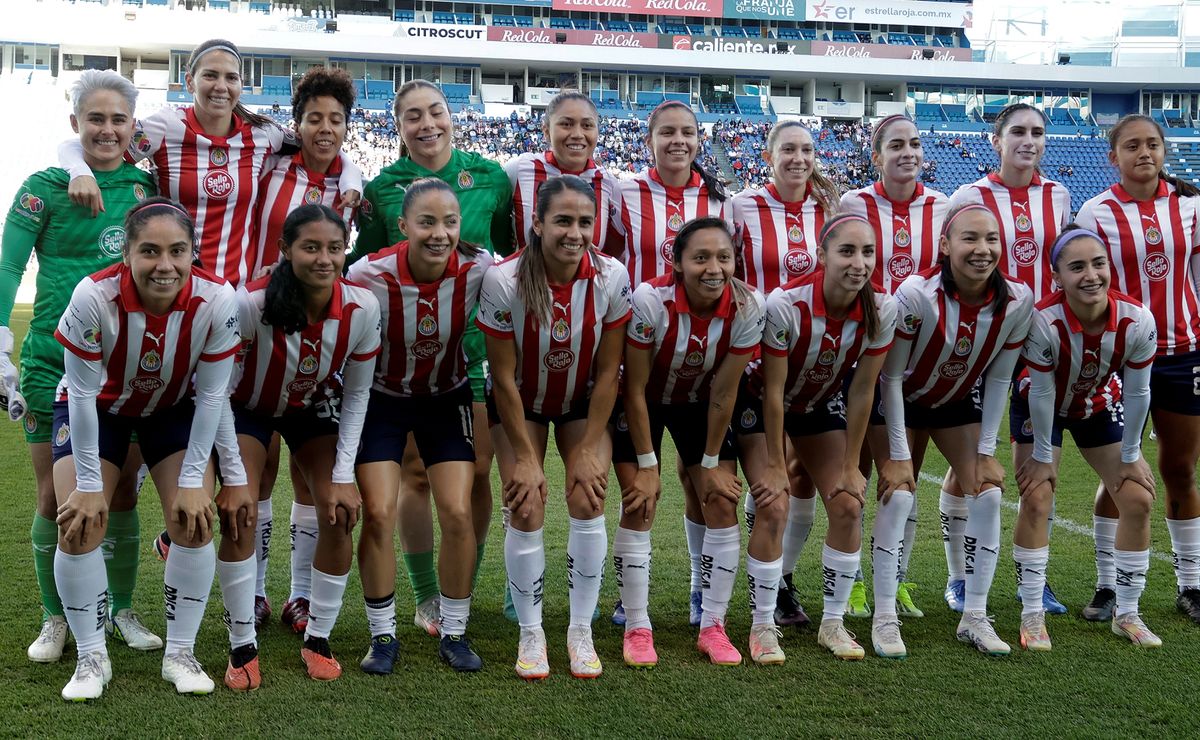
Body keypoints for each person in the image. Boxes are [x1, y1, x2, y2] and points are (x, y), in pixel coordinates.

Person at [60, 43, 361, 633]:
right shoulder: (161, 129)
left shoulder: (266, 140)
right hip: (176, 298)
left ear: (243, 86)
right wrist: (74, 165)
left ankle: (253, 583)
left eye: (232, 77)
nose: (222, 86)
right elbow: (95, 134)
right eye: (211, 76)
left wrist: (350, 174)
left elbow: (325, 145)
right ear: (189, 79)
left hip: (242, 313)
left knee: (259, 457)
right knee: (212, 443)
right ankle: (180, 554)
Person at [50, 197, 246, 698]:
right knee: (78, 523)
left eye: (177, 251)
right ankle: (92, 658)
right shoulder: (94, 296)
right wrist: (91, 486)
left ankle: (179, 652)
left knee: (194, 519)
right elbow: (84, 394)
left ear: (192, 252)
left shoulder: (217, 299)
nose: (165, 265)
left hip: (173, 409)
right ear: (127, 254)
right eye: (150, 252)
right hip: (98, 409)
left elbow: (212, 396)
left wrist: (190, 483)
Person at [1, 70, 161, 664]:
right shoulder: (43, 187)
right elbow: (8, 267)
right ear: (76, 124)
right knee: (53, 498)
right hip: (52, 363)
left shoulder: (148, 191)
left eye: (118, 119)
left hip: (128, 369)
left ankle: (118, 609)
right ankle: (56, 617)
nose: (107, 129)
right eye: (95, 118)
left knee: (119, 499)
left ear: (131, 126)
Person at [355, 79, 512, 634]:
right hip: (409, 364)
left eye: (436, 112)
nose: (427, 124)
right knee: (418, 475)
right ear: (397, 128)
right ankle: (427, 597)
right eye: (412, 117)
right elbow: (367, 262)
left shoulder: (490, 177)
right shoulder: (383, 188)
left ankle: (462, 581)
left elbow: (511, 258)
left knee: (477, 476)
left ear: (453, 116)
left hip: (473, 360)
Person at [476, 175, 631, 680]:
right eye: (562, 220)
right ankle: (532, 631)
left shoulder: (611, 277)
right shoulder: (503, 280)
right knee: (526, 502)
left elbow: (609, 372)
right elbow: (501, 377)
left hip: (581, 401)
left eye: (584, 221)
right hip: (520, 401)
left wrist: (588, 447)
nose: (575, 232)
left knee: (588, 495)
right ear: (537, 223)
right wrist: (523, 455)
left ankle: (579, 630)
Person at [228, 204, 380, 684]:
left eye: (334, 248)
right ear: (285, 250)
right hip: (246, 407)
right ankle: (241, 647)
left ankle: (318, 637)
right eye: (310, 247)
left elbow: (356, 395)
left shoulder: (361, 306)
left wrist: (341, 477)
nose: (324, 258)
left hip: (310, 406)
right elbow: (215, 392)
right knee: (241, 508)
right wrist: (232, 477)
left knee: (338, 509)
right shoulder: (249, 303)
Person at [348, 179, 492, 673]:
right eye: (427, 222)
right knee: (379, 513)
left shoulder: (480, 268)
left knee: (456, 511)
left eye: (449, 222)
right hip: (382, 402)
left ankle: (454, 631)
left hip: (445, 398)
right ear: (403, 225)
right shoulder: (369, 274)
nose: (439, 233)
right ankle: (382, 636)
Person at [739, 213, 897, 660]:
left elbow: (864, 389)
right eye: (847, 251)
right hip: (761, 402)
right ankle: (763, 625)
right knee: (774, 502)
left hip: (817, 403)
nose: (859, 263)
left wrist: (850, 465)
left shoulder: (881, 310)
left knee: (848, 503)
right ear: (822, 255)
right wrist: (773, 462)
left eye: (867, 252)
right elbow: (771, 391)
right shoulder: (786, 305)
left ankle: (833, 623)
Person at [880, 203, 1033, 656]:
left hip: (955, 400)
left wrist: (986, 450)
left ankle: (976, 616)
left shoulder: (1017, 301)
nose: (982, 249)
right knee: (901, 489)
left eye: (991, 240)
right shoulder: (915, 294)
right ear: (945, 246)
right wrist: (898, 453)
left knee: (986, 489)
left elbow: (1001, 377)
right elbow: (889, 378)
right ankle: (885, 617)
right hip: (898, 400)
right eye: (969, 238)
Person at [612, 217, 763, 667]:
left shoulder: (747, 306)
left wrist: (713, 461)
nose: (713, 268)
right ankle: (638, 626)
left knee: (719, 499)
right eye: (700, 257)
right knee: (640, 501)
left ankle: (713, 625)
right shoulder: (649, 301)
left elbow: (724, 392)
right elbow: (635, 388)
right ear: (677, 263)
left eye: (723, 257)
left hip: (700, 401)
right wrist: (647, 464)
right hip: (642, 400)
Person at [947, 103, 1071, 616]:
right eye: (1017, 131)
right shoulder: (969, 195)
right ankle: (959, 578)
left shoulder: (1059, 196)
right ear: (996, 140)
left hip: (1041, 344)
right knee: (972, 460)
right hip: (986, 343)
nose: (1028, 140)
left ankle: (1031, 581)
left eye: (1038, 132)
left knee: (1037, 466)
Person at [249, 65, 360, 637]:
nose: (324, 128)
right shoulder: (272, 165)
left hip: (317, 329)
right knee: (258, 468)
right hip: (258, 318)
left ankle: (298, 596)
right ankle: (258, 593)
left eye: (335, 119)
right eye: (313, 117)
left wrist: (355, 172)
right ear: (297, 124)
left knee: (306, 472)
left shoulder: (347, 178)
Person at [1077, 113, 1200, 625]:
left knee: (1179, 469)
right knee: (1121, 471)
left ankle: (1191, 583)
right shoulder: (1096, 211)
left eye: (1152, 144)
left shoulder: (1192, 205)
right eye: (1132, 146)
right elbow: (1083, 280)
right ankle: (1108, 585)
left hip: (1184, 353)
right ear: (1114, 156)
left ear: (1164, 151)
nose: (1144, 153)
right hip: (1119, 358)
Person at [1013, 226, 1160, 650]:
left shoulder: (1136, 320)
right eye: (1076, 267)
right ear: (1056, 275)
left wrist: (1131, 455)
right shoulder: (1043, 320)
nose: (1091, 275)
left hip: (1096, 405)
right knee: (1038, 496)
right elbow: (1041, 392)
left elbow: (1137, 391)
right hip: (1041, 406)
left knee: (1137, 497)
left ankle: (1128, 613)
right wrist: (1042, 455)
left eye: (1098, 263)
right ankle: (1032, 615)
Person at [615, 99, 731, 626]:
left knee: (695, 479)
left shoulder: (723, 201)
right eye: (667, 132)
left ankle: (697, 588)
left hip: (699, 364)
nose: (677, 141)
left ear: (699, 140)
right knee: (639, 485)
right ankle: (628, 601)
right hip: (637, 352)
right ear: (649, 139)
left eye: (687, 132)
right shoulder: (624, 192)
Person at [841, 114, 951, 622]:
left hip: (914, 360)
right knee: (858, 471)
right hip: (861, 353)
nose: (908, 152)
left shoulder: (943, 206)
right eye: (896, 145)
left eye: (915, 143)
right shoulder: (854, 204)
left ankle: (897, 579)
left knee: (904, 471)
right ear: (876, 154)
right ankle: (856, 583)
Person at [730, 120, 840, 628]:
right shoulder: (742, 207)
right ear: (768, 154)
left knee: (803, 479)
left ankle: (783, 582)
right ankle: (762, 589)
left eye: (807, 149)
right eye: (788, 149)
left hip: (818, 363)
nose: (799, 158)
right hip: (758, 361)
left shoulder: (833, 209)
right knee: (772, 476)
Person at [508, 90, 624, 254]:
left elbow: (613, 252)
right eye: (566, 124)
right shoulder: (518, 170)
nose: (577, 134)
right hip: (523, 278)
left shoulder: (609, 184)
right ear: (546, 131)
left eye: (587, 125)